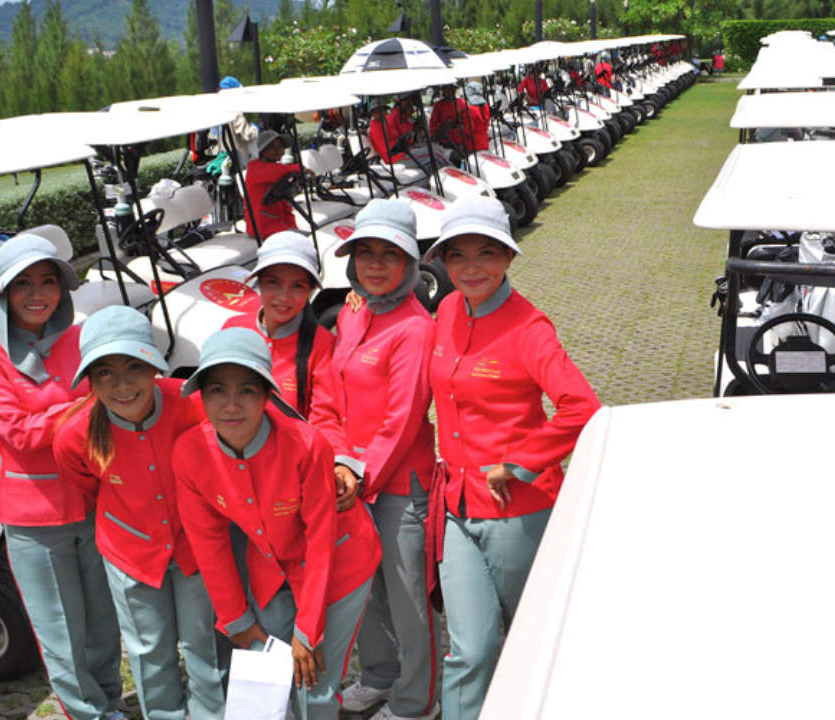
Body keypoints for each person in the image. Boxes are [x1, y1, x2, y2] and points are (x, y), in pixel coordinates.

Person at [422, 197, 600, 720]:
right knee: (469, 650)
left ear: (508, 258)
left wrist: (520, 460)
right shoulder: (448, 310)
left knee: (536, 638)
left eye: (486, 253)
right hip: (455, 507)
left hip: (517, 510)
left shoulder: (529, 328)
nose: (471, 267)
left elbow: (581, 406)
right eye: (457, 256)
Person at [172, 328, 381, 719]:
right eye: (217, 390)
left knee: (315, 685)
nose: (231, 405)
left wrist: (308, 630)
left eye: (247, 391)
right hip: (271, 567)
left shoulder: (306, 445)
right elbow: (209, 544)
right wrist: (237, 619)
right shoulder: (189, 453)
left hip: (340, 563)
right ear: (201, 396)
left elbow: (321, 537)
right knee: (266, 678)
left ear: (268, 396)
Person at [0, 234, 124, 720]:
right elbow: (19, 436)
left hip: (97, 502)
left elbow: (124, 400)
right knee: (61, 630)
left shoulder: (82, 338)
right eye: (23, 283)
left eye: (49, 280)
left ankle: (110, 702)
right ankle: (85, 713)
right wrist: (90, 405)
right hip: (35, 517)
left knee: (103, 622)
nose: (38, 293)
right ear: (3, 293)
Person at [53, 306, 227, 720]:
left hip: (196, 547)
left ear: (154, 366)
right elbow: (88, 484)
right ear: (90, 380)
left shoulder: (191, 403)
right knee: (149, 651)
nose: (122, 384)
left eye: (134, 366)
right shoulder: (73, 434)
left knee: (205, 641)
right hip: (130, 552)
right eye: (104, 373)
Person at [326, 200, 440, 720]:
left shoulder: (414, 327)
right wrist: (334, 460)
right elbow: (328, 393)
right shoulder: (355, 312)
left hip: (398, 487)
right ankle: (379, 676)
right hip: (349, 478)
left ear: (409, 263)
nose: (375, 263)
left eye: (388, 254)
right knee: (363, 591)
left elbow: (403, 420)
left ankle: (417, 702)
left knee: (409, 600)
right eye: (365, 252)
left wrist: (357, 470)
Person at [222, 230, 342, 427]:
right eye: (274, 283)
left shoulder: (322, 344)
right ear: (259, 282)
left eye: (297, 286)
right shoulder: (233, 329)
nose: (284, 296)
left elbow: (324, 420)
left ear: (309, 290)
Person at [245, 129, 312, 240]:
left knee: (307, 238)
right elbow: (278, 171)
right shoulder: (256, 168)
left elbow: (285, 204)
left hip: (277, 225)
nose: (278, 150)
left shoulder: (276, 170)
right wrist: (300, 168)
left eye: (280, 146)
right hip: (262, 227)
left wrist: (293, 227)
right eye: (272, 147)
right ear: (263, 150)